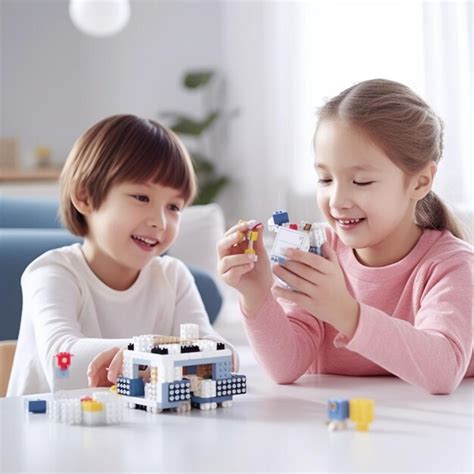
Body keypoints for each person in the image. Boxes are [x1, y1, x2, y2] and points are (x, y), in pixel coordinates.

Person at [218, 79, 473, 395]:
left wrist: (343, 312)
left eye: (361, 181)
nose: (337, 200)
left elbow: (444, 370)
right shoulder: (317, 250)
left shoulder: (451, 264)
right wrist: (256, 295)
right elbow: (286, 368)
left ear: (420, 182)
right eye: (325, 179)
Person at [7, 114, 233, 396]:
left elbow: (221, 355)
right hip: (44, 433)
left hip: (131, 433)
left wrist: (152, 355)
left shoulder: (173, 278)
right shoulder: (52, 272)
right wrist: (149, 352)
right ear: (85, 197)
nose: (160, 222)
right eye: (142, 198)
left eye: (174, 207)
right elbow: (61, 363)